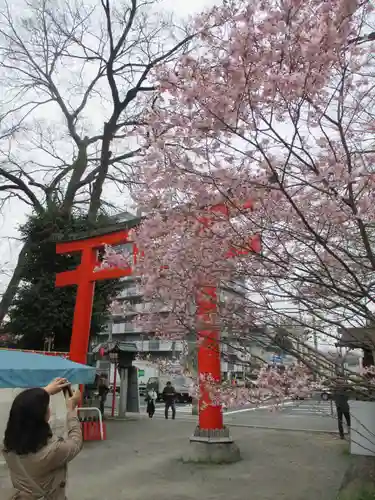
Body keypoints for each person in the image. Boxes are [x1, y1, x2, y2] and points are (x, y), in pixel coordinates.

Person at [3, 377, 82, 500]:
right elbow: (76, 442)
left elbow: (22, 408)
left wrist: (46, 391)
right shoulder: (53, 450)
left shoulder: (7, 443)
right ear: (44, 416)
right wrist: (71, 410)